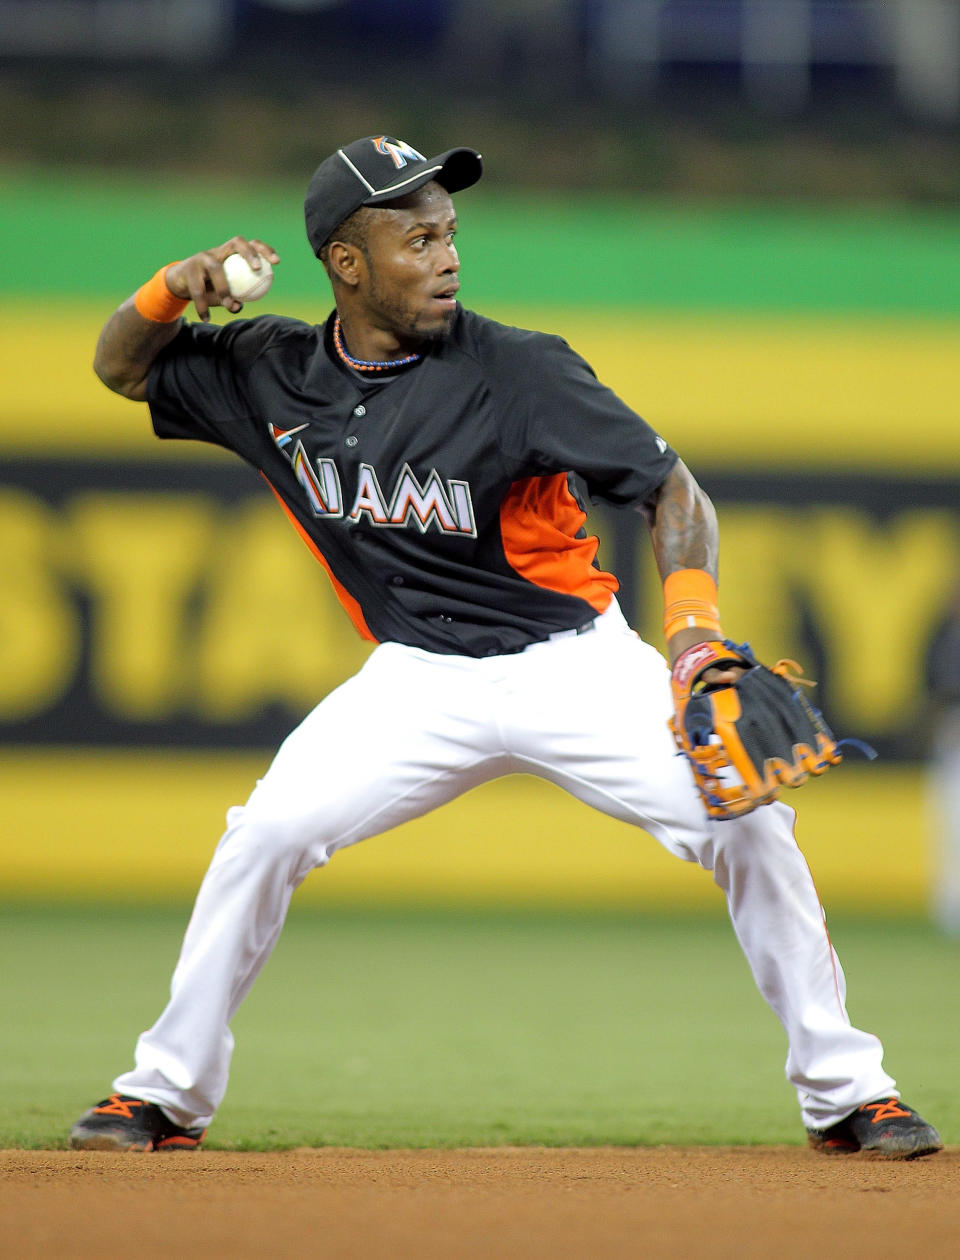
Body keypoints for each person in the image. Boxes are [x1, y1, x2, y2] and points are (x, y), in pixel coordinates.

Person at [70, 134, 940, 1158]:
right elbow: (121, 368)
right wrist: (173, 285)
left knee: (749, 822)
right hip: (415, 682)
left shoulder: (518, 368)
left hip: (570, 662)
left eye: (450, 233)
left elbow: (670, 488)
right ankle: (163, 1093)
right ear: (345, 263)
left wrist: (693, 632)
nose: (446, 255)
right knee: (261, 837)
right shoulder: (269, 373)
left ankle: (849, 1093)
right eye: (416, 236)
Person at [925, 581, 960, 935]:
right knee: (951, 822)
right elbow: (937, 686)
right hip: (956, 731)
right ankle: (951, 907)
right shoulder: (947, 637)